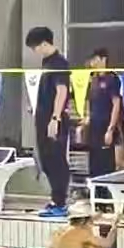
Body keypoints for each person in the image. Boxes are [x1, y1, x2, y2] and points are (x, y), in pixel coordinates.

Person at [25, 27, 73, 218]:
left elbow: (62, 91)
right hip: (43, 118)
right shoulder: (46, 62)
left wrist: (55, 118)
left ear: (44, 43)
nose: (34, 52)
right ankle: (55, 200)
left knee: (56, 160)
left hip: (54, 120)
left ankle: (60, 203)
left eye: (35, 48)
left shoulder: (59, 63)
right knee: (46, 161)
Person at [84, 48, 122, 178]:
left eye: (95, 59)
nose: (92, 63)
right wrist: (87, 116)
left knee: (105, 162)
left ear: (103, 59)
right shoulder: (93, 79)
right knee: (94, 161)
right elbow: (89, 101)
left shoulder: (112, 78)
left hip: (105, 124)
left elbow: (116, 104)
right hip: (94, 125)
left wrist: (110, 129)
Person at [47, 200, 119, 248]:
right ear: (84, 221)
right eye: (90, 221)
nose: (91, 223)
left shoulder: (58, 231)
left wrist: (98, 215)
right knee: (92, 247)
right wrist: (114, 226)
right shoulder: (82, 232)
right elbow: (107, 243)